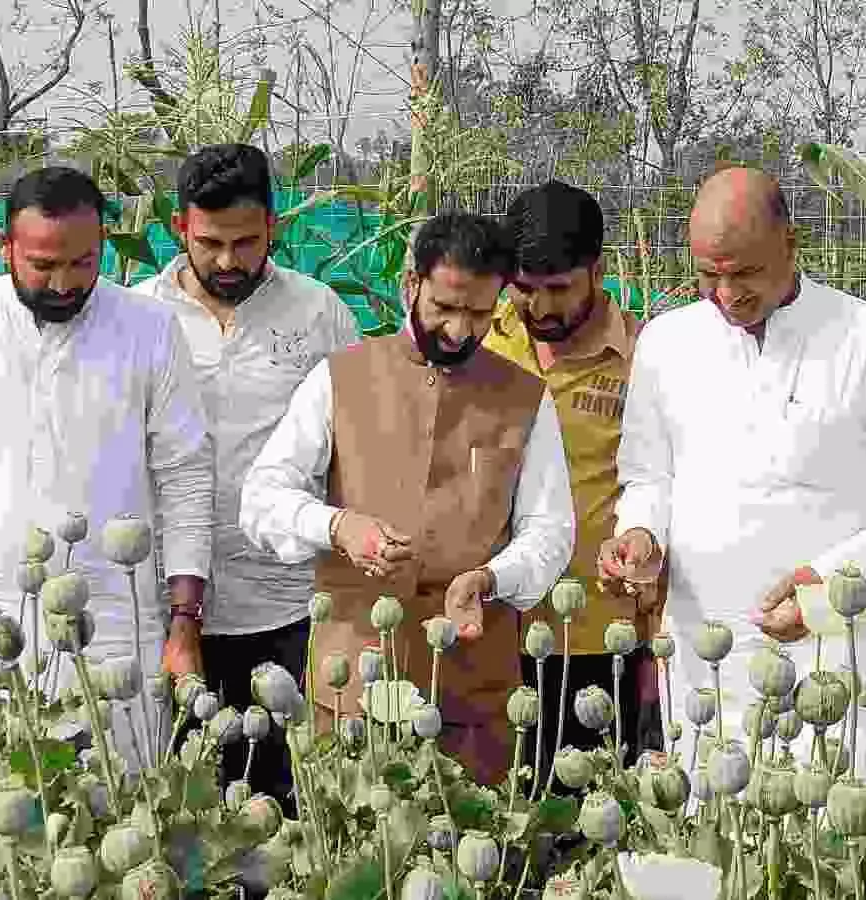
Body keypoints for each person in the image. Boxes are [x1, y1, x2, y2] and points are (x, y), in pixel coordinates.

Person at [599, 166, 866, 780]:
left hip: (836, 663)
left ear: (791, 245)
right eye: (708, 274)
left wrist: (827, 590)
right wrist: (640, 534)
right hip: (706, 662)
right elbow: (648, 477)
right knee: (710, 827)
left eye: (744, 273)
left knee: (835, 831)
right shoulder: (666, 343)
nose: (726, 294)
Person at [0, 167, 214, 765]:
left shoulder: (149, 328)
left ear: (103, 244)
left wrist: (184, 623)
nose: (64, 283)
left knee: (124, 802)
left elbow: (185, 476)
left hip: (114, 621)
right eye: (42, 265)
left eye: (83, 263)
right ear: (4, 247)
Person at [238, 211, 575, 786]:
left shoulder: (525, 397)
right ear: (411, 284)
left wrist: (489, 578)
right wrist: (338, 527)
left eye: (479, 314)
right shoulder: (339, 377)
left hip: (473, 687)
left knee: (472, 837)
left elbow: (550, 530)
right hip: (352, 681)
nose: (460, 331)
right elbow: (262, 497)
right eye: (445, 307)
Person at [134, 143, 359, 811]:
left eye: (245, 242)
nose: (228, 261)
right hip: (168, 609)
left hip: (288, 605)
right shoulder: (140, 317)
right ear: (179, 227)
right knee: (187, 802)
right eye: (210, 243)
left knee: (288, 800)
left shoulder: (319, 313)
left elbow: (352, 449)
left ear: (273, 227)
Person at [482, 180, 662, 776]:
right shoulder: (482, 338)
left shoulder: (643, 358)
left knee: (588, 806)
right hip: (487, 625)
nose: (539, 308)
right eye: (525, 288)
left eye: (558, 288)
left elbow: (658, 487)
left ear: (598, 272)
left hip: (595, 637)